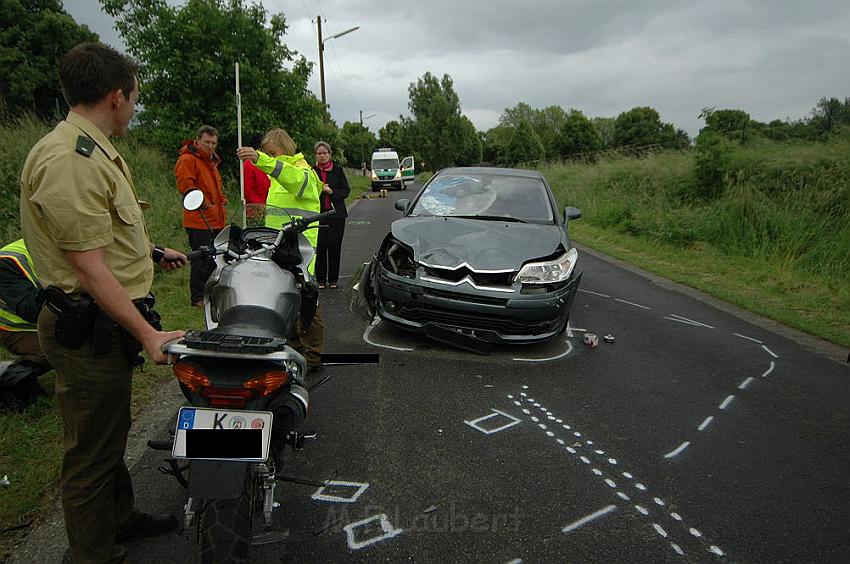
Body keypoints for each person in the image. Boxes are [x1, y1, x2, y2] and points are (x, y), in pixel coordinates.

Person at [19, 42, 187, 563]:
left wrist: (153, 252)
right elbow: (87, 267)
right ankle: (94, 553)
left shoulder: (90, 148)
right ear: (116, 96)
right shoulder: (70, 158)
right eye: (135, 98)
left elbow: (102, 235)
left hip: (99, 324)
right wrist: (148, 334)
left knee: (108, 433)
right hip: (86, 326)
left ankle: (121, 519)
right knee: (91, 453)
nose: (135, 107)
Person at [236, 129, 325, 372]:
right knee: (284, 297)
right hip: (278, 247)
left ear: (284, 148)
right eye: (266, 153)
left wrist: (261, 160)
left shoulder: (303, 171)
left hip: (301, 251)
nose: (268, 156)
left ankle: (314, 356)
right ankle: (293, 347)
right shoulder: (280, 175)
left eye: (272, 152)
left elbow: (294, 180)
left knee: (307, 302)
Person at [175, 124, 226, 307]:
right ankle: (197, 298)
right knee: (200, 260)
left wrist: (221, 201)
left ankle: (210, 293)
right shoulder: (188, 160)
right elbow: (186, 187)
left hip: (215, 219)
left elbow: (214, 189)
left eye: (213, 143)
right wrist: (205, 204)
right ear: (197, 141)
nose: (210, 146)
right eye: (207, 142)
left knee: (214, 258)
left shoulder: (211, 161)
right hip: (199, 220)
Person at [0, 238, 51, 409]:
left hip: (34, 318)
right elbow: (29, 310)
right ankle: (9, 380)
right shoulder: (7, 262)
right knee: (56, 349)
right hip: (10, 326)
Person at [312, 141, 350, 289]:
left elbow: (346, 190)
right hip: (319, 215)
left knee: (335, 247)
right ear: (315, 155)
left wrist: (332, 192)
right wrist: (320, 190)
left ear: (329, 154)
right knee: (320, 247)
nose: (322, 156)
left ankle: (333, 279)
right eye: (319, 153)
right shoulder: (312, 171)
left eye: (324, 153)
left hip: (337, 215)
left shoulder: (338, 170)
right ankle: (320, 279)